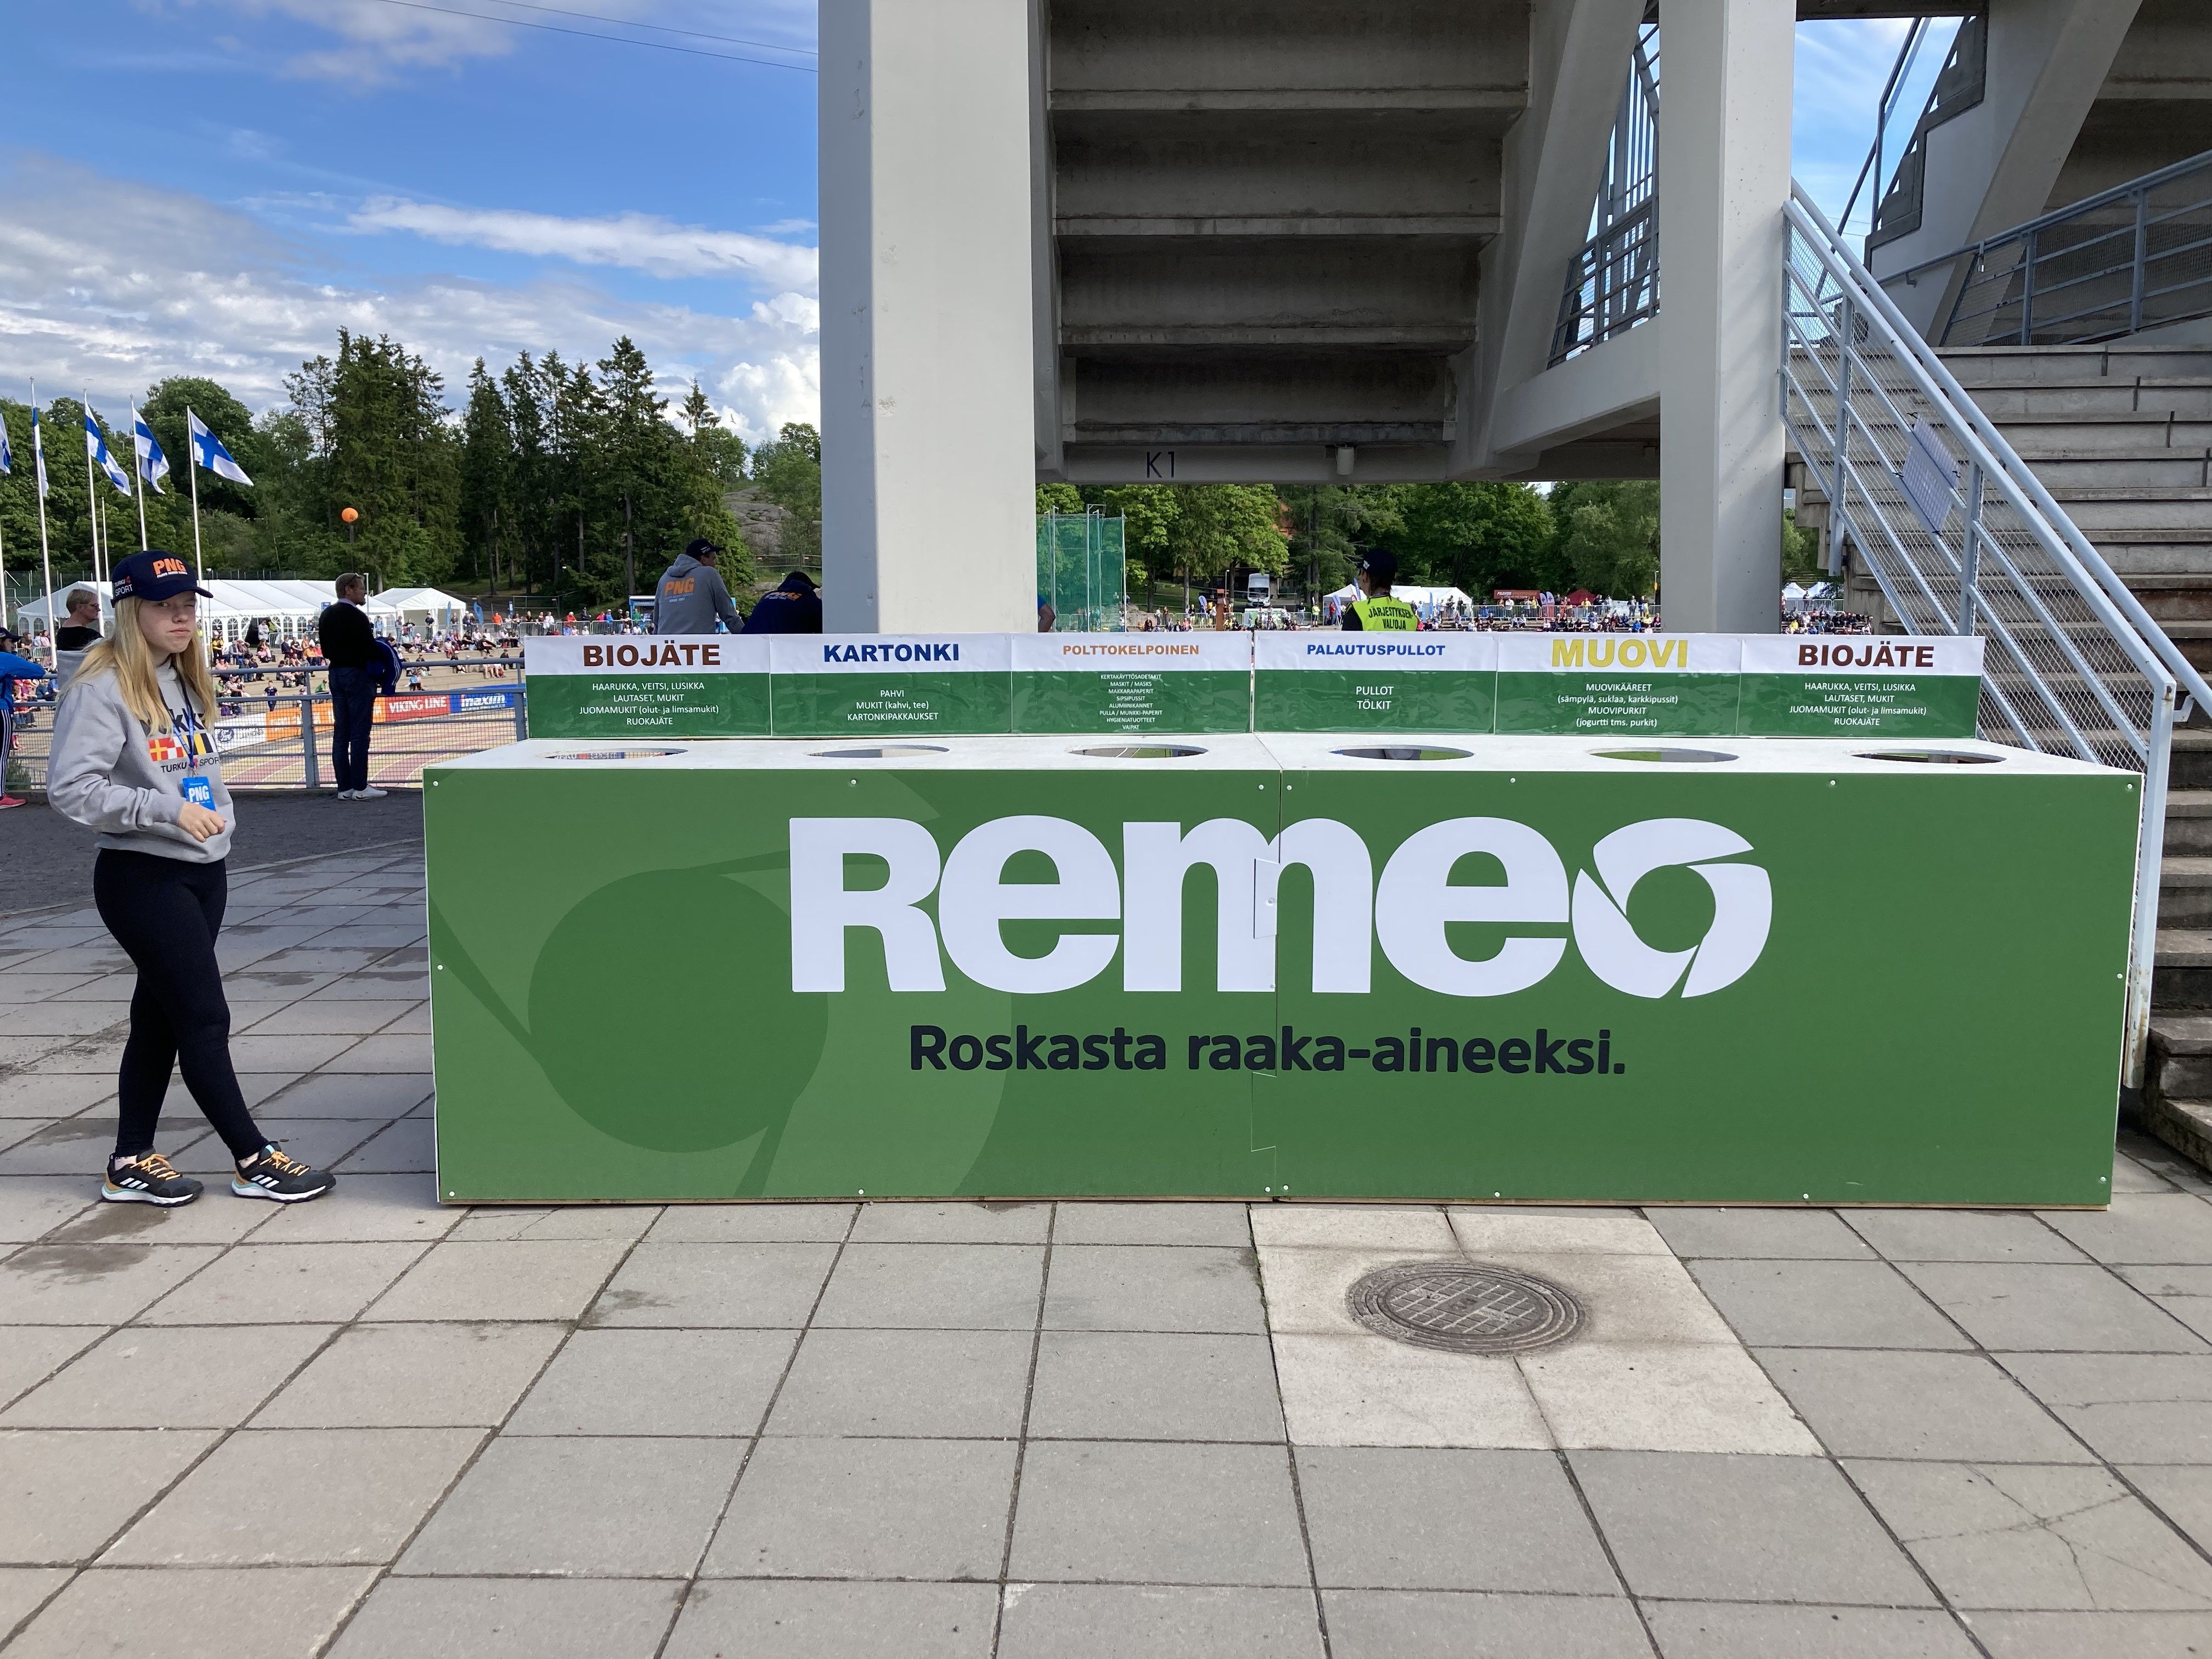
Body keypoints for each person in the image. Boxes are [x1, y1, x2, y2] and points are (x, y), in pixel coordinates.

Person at [47, 550, 336, 1207]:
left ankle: (130, 1159)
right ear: (130, 612)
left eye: (187, 606)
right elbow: (69, 789)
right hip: (140, 876)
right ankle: (253, 1156)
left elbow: (192, 768)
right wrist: (165, 809)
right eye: (164, 607)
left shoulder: (181, 676)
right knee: (204, 1016)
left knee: (158, 1020)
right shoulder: (100, 688)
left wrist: (214, 817)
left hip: (204, 872)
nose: (182, 618)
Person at [317, 573, 386, 802]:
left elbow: (326, 650)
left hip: (335, 674)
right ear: (349, 589)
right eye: (361, 588)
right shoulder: (356, 616)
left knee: (341, 733)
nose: (364, 592)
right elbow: (369, 648)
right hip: (357, 676)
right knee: (359, 734)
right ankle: (360, 787)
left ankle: (344, 788)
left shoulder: (326, 615)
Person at [0, 634, 50, 810]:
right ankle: (0, 797)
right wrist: (13, 671)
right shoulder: (5, 659)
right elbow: (38, 671)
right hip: (1, 709)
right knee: (1, 755)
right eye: (10, 642)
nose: (13, 645)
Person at [655, 538, 743, 634]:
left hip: (667, 646)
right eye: (713, 559)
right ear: (704, 559)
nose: (715, 563)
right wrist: (749, 639)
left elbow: (656, 620)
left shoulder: (664, 579)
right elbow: (729, 615)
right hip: (699, 646)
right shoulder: (709, 574)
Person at [1340, 550, 1418, 632]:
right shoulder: (1409, 613)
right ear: (1393, 578)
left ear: (1365, 576)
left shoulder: (1357, 611)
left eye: (1361, 572)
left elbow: (1348, 643)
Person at [741, 569, 823, 634]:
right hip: (782, 647)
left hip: (748, 643)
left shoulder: (767, 596)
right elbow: (822, 631)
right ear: (807, 587)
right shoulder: (810, 601)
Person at [53, 589, 103, 691]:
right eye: (94, 606)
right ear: (80, 607)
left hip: (68, 691)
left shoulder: (62, 634)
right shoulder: (91, 637)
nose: (98, 609)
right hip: (89, 691)